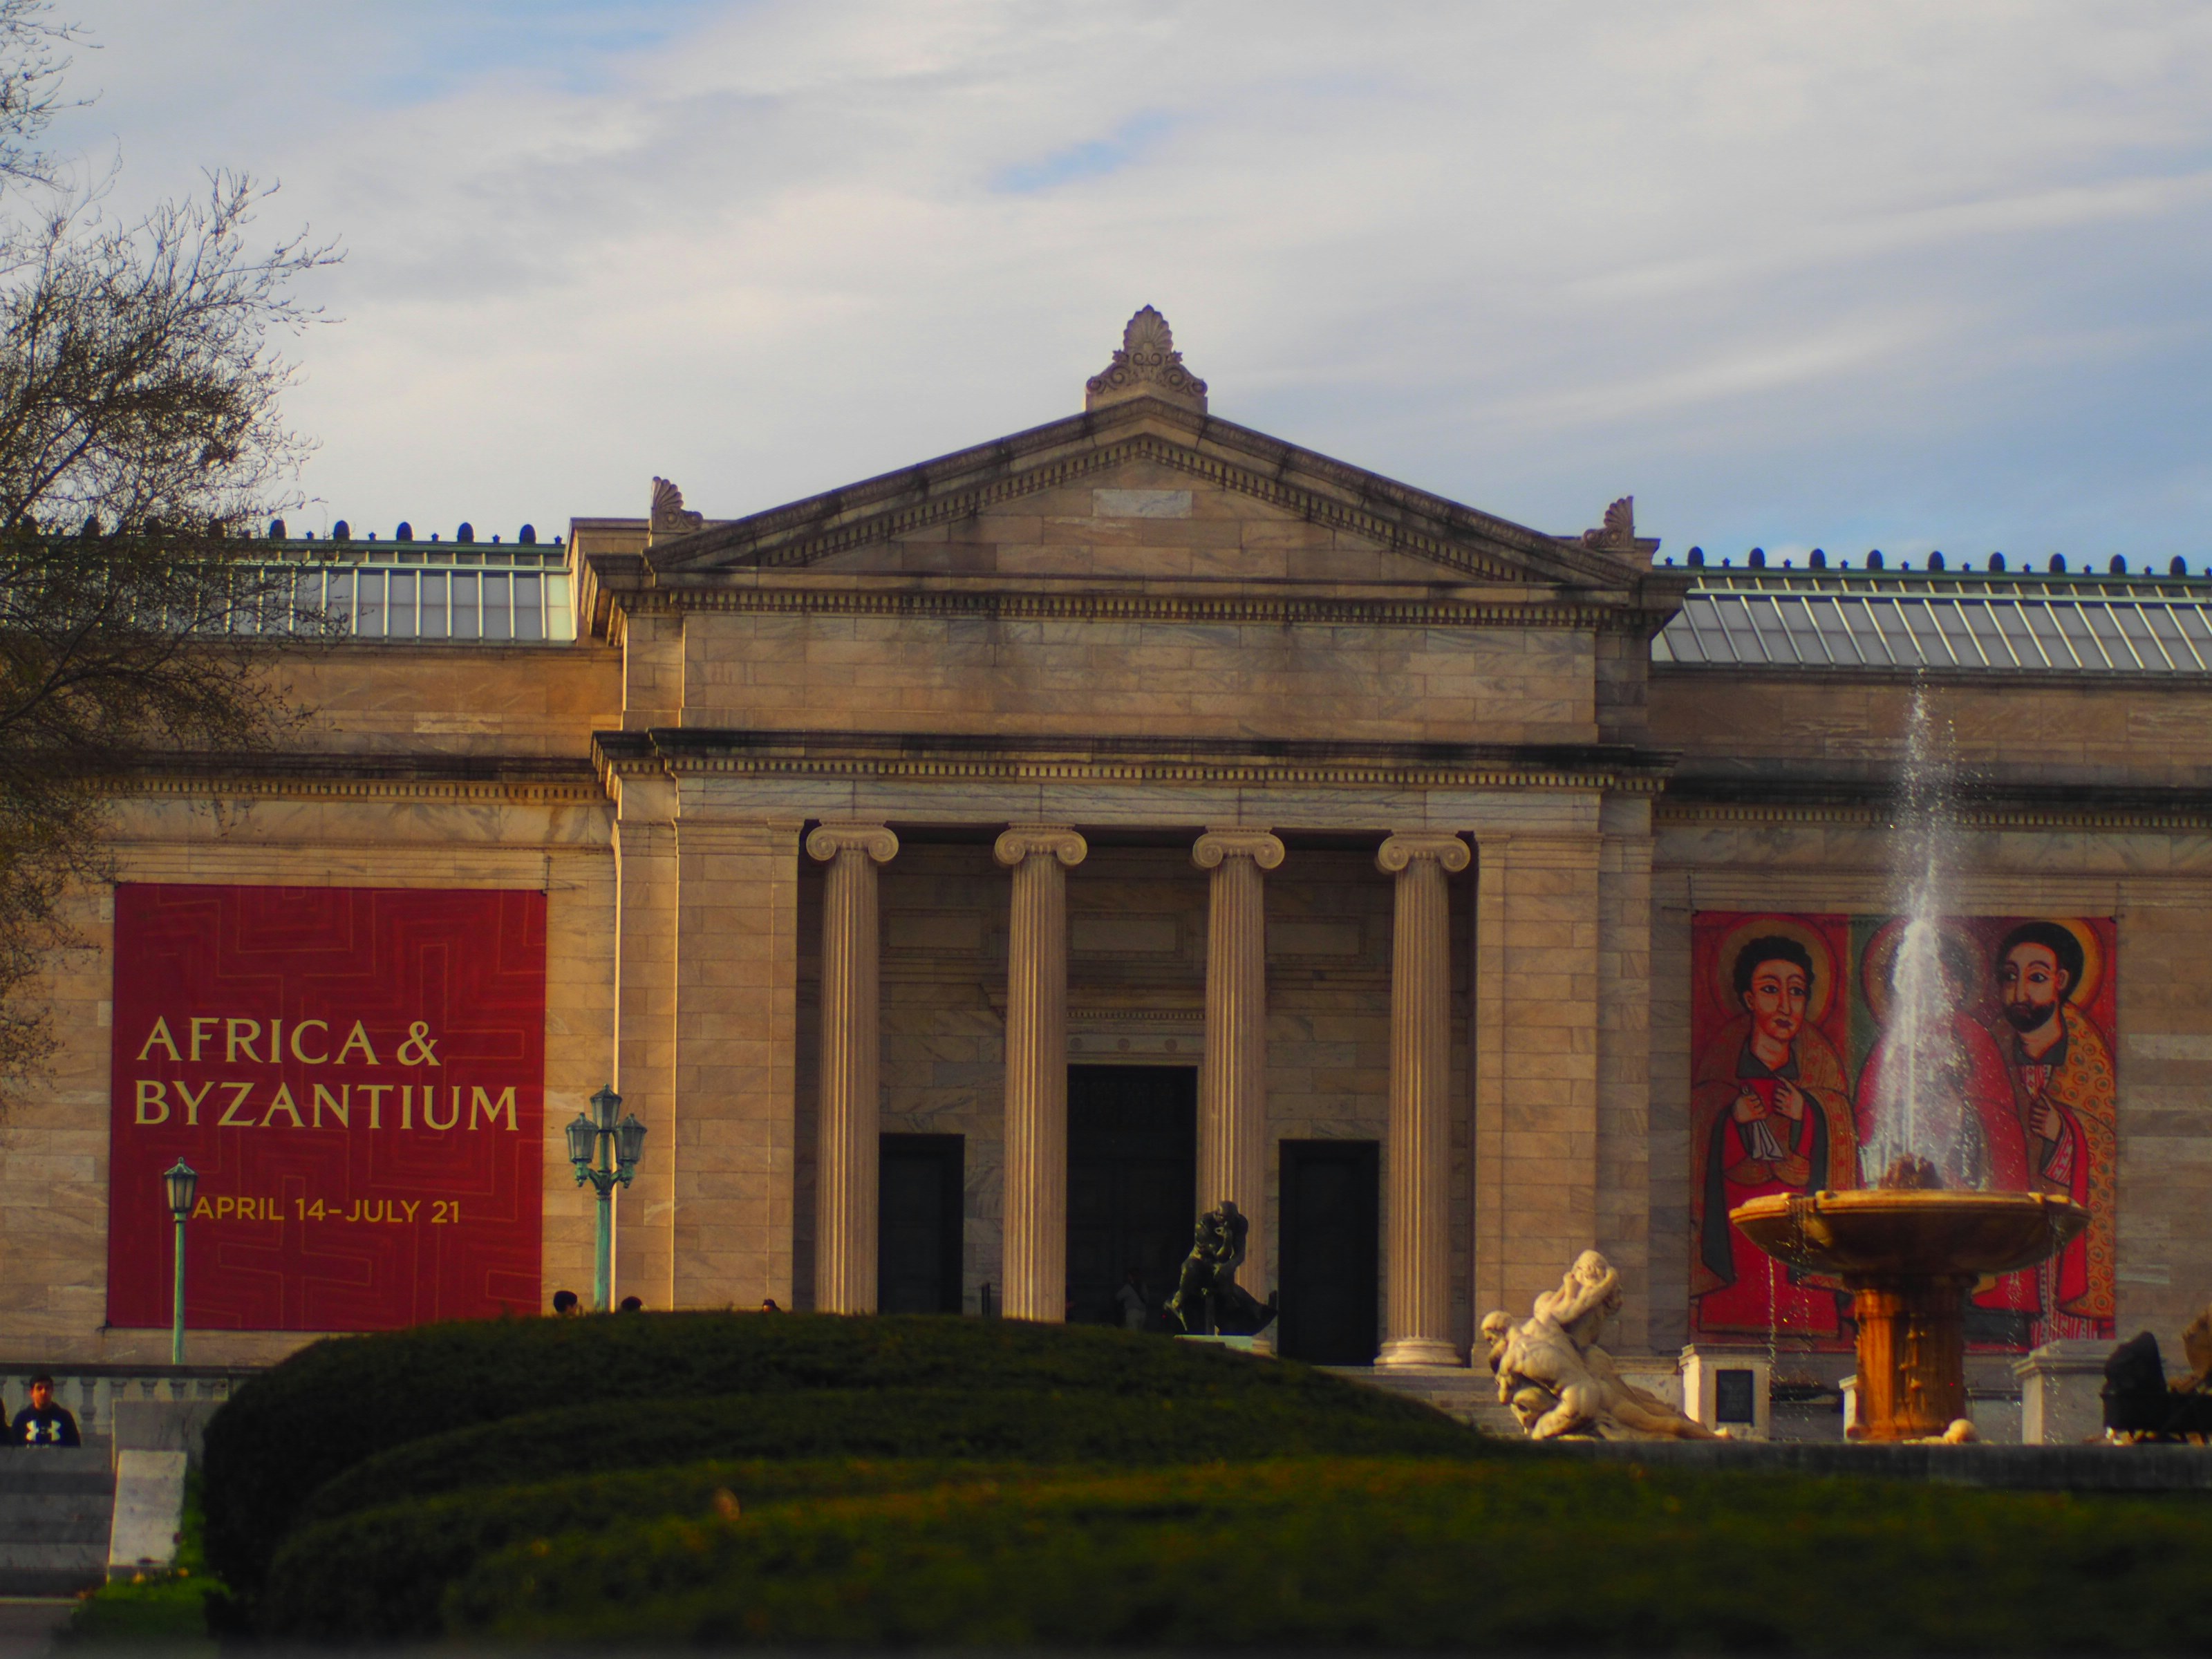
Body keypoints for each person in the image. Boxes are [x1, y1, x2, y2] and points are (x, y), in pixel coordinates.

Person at [1691, 934, 1859, 1337]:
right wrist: (1732, 1118)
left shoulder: (1821, 1070)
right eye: (1770, 990)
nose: (1785, 1005)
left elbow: (1843, 1136)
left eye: (1797, 992)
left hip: (1801, 1249)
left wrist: (1810, 1115)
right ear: (1749, 999)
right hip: (1738, 1242)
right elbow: (1701, 1129)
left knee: (1807, 1320)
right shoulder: (1722, 1065)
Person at [1989, 921, 2117, 1334]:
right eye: (2011, 977)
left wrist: (2066, 1133)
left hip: (2066, 1243)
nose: (2021, 992)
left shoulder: (2088, 1057)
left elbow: (2109, 1150)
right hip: (2005, 1238)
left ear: (2061, 982)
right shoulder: (1990, 1051)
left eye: (2037, 977)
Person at [12, 1376, 79, 1447]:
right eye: (39, 1388)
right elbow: (13, 1449)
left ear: (52, 1391)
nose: (44, 1392)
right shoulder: (22, 1419)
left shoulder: (65, 1418)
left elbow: (74, 1449)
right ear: (32, 1393)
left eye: (47, 1388)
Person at [1115, 1267, 1149, 1333]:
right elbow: (1147, 1299)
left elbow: (1118, 1297)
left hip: (1132, 1312)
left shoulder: (1128, 1288)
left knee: (1131, 1333)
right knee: (1139, 1333)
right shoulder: (1143, 1286)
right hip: (1143, 1312)